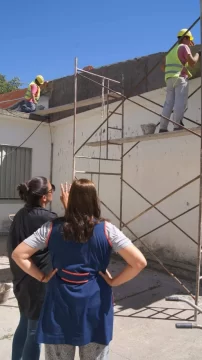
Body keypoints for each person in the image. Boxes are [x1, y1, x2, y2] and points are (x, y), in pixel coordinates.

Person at [12, 178, 147, 360]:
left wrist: (42, 277)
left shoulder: (51, 228)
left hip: (59, 305)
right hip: (96, 305)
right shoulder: (108, 230)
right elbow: (139, 262)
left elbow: (18, 254)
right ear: (94, 200)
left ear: (71, 199)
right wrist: (114, 281)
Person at [7, 176, 68, 360]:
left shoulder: (20, 214)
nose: (54, 192)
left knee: (25, 324)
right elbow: (72, 234)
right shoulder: (49, 219)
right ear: (43, 197)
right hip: (37, 283)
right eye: (52, 190)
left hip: (21, 280)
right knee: (35, 332)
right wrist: (68, 207)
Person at [159, 29, 200, 133]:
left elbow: (163, 67)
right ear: (185, 38)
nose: (190, 43)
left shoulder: (171, 50)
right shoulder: (184, 47)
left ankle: (163, 127)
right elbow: (192, 62)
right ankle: (177, 125)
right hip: (180, 78)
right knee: (180, 102)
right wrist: (198, 54)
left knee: (168, 103)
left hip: (169, 79)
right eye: (190, 39)